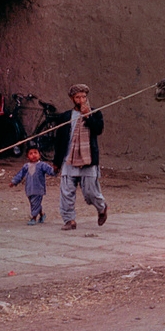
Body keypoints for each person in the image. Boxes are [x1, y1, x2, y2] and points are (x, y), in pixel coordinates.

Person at [54, 84, 108, 231]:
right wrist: (56, 162)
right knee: (67, 192)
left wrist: (88, 116)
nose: (81, 100)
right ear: (72, 99)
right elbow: (59, 140)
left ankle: (102, 208)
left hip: (88, 159)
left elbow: (98, 130)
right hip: (69, 158)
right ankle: (69, 220)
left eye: (84, 97)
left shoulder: (95, 113)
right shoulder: (65, 116)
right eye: (78, 97)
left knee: (91, 192)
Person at [9, 143, 55, 225]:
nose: (33, 155)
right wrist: (14, 181)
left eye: (35, 153)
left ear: (39, 155)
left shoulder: (42, 165)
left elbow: (51, 171)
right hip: (29, 189)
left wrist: (55, 170)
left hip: (38, 189)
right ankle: (42, 214)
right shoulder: (26, 166)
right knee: (34, 203)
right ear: (27, 156)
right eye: (31, 153)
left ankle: (33, 218)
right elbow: (20, 175)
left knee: (35, 203)